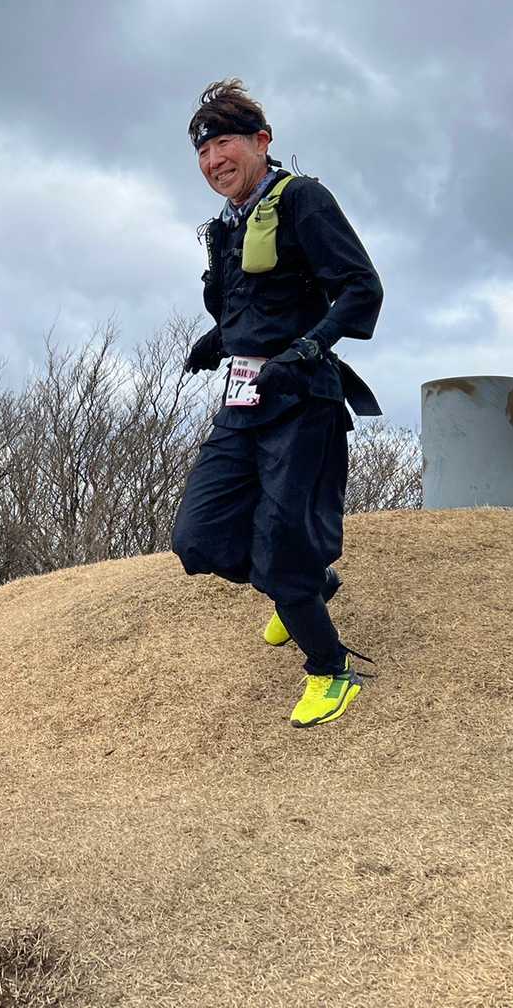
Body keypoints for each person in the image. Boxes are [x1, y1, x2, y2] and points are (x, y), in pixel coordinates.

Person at [171, 78, 384, 728]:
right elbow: (249, 306)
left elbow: (361, 287)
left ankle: (330, 670)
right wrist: (215, 340)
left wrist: (310, 348)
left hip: (301, 399)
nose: (214, 161)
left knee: (281, 544)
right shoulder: (225, 226)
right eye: (202, 151)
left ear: (261, 141)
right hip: (241, 401)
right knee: (198, 536)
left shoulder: (301, 200)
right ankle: (308, 584)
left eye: (225, 144)